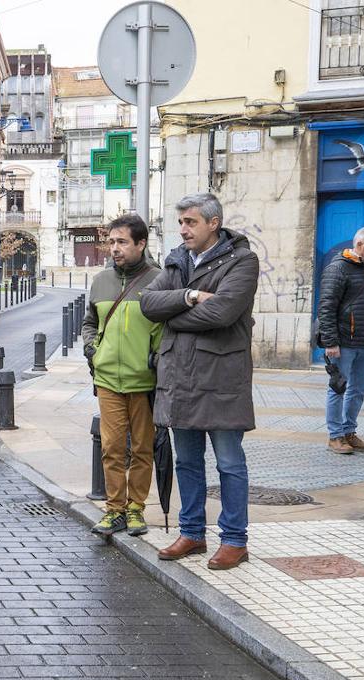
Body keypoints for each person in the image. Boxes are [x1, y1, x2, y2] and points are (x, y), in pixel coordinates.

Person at [139, 192, 259, 571]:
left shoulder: (243, 260)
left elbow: (223, 312)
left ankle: (235, 540)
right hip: (180, 379)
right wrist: (190, 296)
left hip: (222, 380)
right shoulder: (177, 261)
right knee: (188, 462)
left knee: (229, 463)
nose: (183, 229)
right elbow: (148, 304)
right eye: (181, 222)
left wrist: (173, 316)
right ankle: (192, 532)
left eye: (190, 222)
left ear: (213, 223)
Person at [81, 214, 162, 537]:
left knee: (142, 449)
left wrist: (154, 358)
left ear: (141, 244)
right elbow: (89, 322)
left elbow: (165, 328)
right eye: (111, 242)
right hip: (108, 380)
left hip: (144, 382)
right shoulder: (101, 281)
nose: (114, 248)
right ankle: (114, 509)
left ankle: (135, 509)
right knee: (112, 448)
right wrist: (93, 349)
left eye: (122, 242)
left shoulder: (159, 280)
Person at [317, 226, 364, 454]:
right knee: (338, 388)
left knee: (359, 390)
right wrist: (330, 342)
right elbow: (326, 307)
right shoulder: (337, 269)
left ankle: (349, 432)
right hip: (343, 343)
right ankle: (335, 436)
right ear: (359, 245)